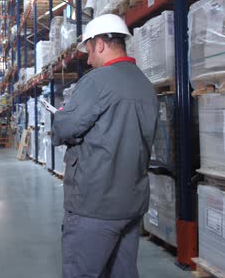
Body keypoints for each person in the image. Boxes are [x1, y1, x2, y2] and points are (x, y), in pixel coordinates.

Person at [51, 14, 158, 278]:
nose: (89, 60)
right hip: (131, 203)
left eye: (89, 51)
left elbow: (65, 127)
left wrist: (63, 116)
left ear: (99, 44)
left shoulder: (97, 81)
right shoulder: (145, 85)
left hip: (95, 204)